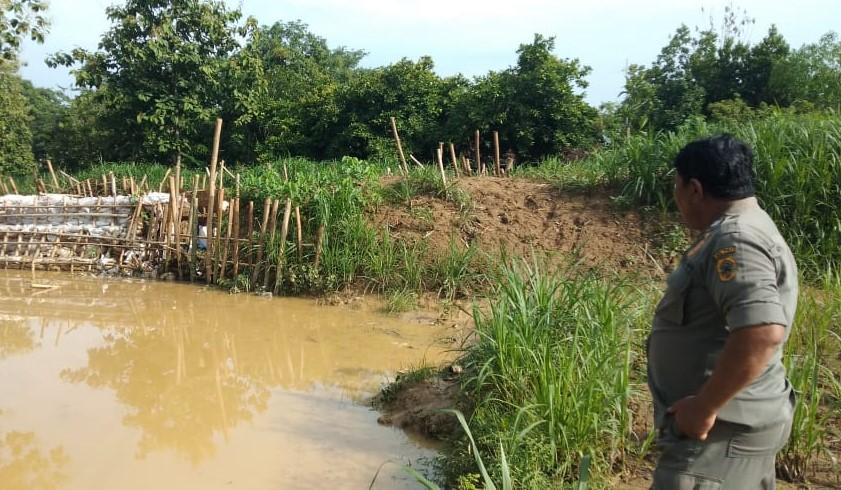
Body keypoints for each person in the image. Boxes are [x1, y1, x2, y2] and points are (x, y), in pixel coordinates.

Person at [647, 135, 798, 489]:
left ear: (695, 189)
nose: (676, 198)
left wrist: (704, 406)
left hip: (717, 441)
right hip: (729, 435)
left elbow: (761, 332)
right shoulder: (751, 226)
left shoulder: (736, 238)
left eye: (677, 187)